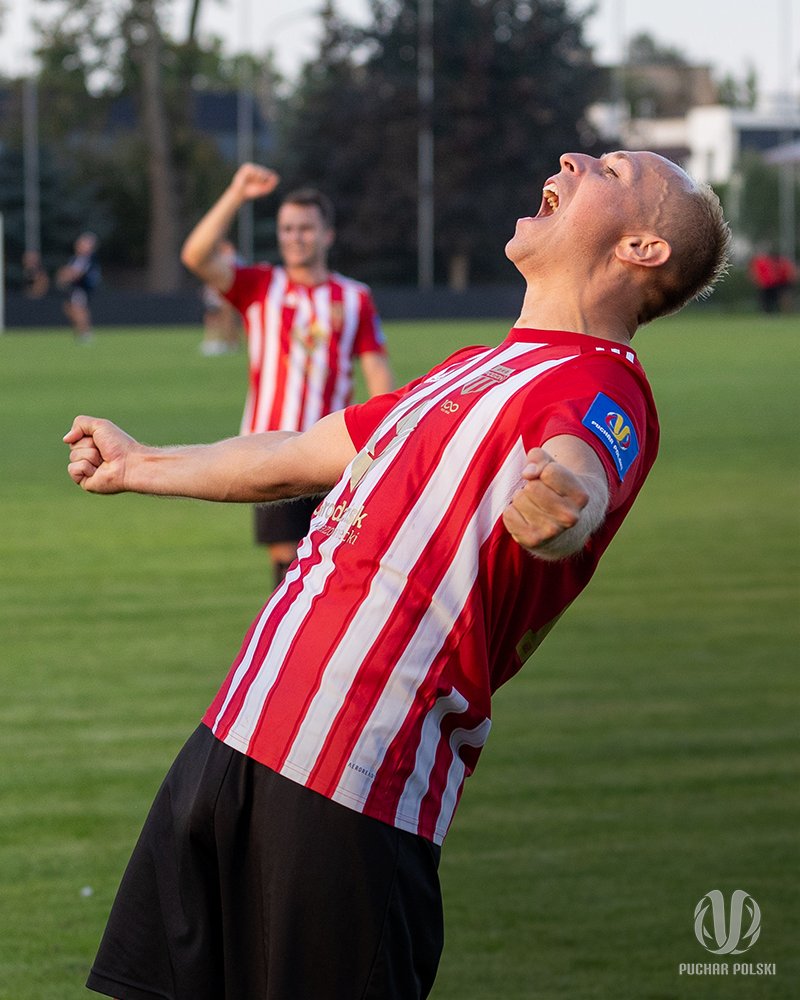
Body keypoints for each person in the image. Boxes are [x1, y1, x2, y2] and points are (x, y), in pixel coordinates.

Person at [66, 150, 730, 1000]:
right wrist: (139, 463)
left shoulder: (603, 384)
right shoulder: (465, 367)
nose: (573, 158)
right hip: (238, 729)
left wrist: (565, 501)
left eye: (610, 170)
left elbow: (581, 466)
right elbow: (295, 453)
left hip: (354, 776)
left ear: (642, 249)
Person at [181, 165, 394, 588]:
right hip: (269, 449)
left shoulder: (353, 298)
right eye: (287, 229)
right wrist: (236, 193)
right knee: (288, 565)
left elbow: (377, 373)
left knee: (335, 565)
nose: (295, 237)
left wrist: (383, 446)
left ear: (327, 235)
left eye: (305, 229)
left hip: (333, 450)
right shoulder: (260, 285)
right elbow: (195, 256)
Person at [199, 239, 244, 356]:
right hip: (218, 294)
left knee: (227, 318)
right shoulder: (224, 258)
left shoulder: (231, 259)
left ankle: (230, 342)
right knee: (214, 317)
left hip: (226, 294)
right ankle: (221, 341)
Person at [56, 231, 101, 342]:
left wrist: (65, 277)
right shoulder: (76, 258)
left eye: (83, 244)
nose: (79, 246)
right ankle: (81, 331)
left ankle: (85, 333)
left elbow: (77, 273)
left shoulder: (87, 258)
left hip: (82, 287)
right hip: (76, 287)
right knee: (69, 307)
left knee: (78, 308)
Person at [748, 248, 796, 313]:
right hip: (766, 284)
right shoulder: (764, 262)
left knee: (774, 298)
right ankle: (767, 311)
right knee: (766, 299)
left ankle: (776, 311)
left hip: (775, 283)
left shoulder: (773, 262)